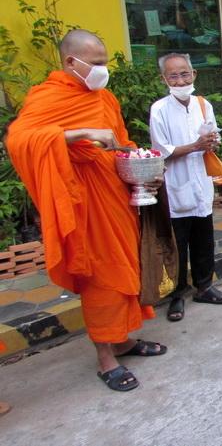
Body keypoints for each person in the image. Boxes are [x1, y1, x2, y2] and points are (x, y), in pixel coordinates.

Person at [5, 29, 167, 392]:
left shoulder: (104, 97)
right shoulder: (48, 97)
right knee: (101, 280)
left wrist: (143, 171)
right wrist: (77, 134)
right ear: (70, 62)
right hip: (84, 204)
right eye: (95, 63)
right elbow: (19, 139)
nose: (102, 69)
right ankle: (106, 358)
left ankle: (124, 341)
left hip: (115, 197)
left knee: (127, 270)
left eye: (105, 62)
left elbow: (120, 143)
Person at [149, 53, 222, 322]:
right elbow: (161, 151)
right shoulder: (159, 109)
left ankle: (204, 286)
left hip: (200, 183)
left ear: (194, 74)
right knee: (177, 246)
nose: (180, 79)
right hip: (176, 186)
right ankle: (176, 296)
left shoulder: (203, 104)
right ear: (164, 79)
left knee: (203, 239)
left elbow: (213, 136)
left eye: (184, 74)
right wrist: (196, 146)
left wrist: (211, 142)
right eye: (174, 75)